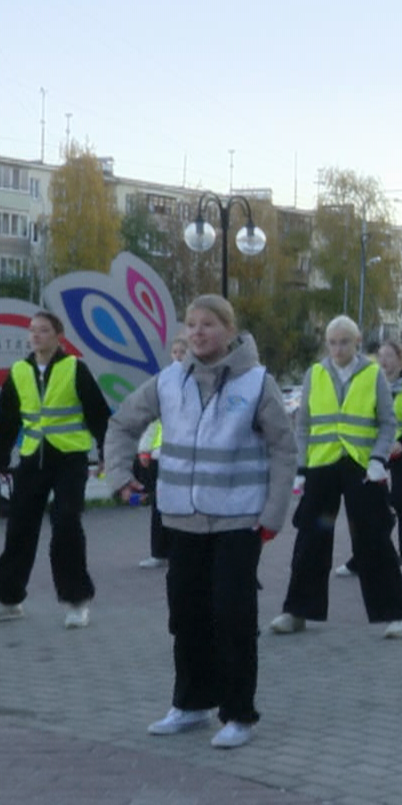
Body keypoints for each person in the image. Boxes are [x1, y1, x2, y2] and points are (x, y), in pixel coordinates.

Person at [106, 297, 295, 748]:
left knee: (233, 616)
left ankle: (239, 714)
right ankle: (191, 705)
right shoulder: (169, 380)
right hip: (182, 519)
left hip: (239, 520)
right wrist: (119, 476)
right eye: (191, 324)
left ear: (229, 330)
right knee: (186, 615)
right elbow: (122, 424)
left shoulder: (257, 383)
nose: (197, 332)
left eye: (207, 324)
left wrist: (273, 514)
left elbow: (283, 449)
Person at [271, 316, 402, 639]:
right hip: (322, 465)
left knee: (373, 538)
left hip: (362, 467)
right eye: (332, 343)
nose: (338, 349)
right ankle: (297, 612)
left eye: (344, 342)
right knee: (310, 539)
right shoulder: (315, 373)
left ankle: (397, 614)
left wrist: (378, 459)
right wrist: (302, 469)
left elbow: (388, 423)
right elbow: (304, 425)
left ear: (357, 342)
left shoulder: (373, 373)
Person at [0, 311, 111, 628]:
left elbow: (98, 413)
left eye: (44, 330)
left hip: (69, 458)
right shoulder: (19, 371)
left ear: (58, 337)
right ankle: (8, 600)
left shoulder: (74, 368)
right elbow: (6, 416)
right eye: (32, 330)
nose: (35, 335)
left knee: (66, 525)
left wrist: (106, 451)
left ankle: (76, 601)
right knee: (19, 528)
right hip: (32, 459)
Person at [337, 340, 402, 581]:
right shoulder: (369, 386)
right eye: (380, 356)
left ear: (401, 361)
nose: (384, 361)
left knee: (401, 499)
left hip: (400, 454)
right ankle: (361, 557)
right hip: (371, 454)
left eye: (389, 356)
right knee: (366, 506)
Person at [136, 336, 189, 570]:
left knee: (183, 507)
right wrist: (145, 448)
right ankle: (159, 552)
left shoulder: (197, 382)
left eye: (182, 352)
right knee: (159, 506)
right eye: (175, 352)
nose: (178, 356)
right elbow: (153, 420)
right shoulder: (164, 382)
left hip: (185, 456)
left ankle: (181, 552)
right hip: (161, 456)